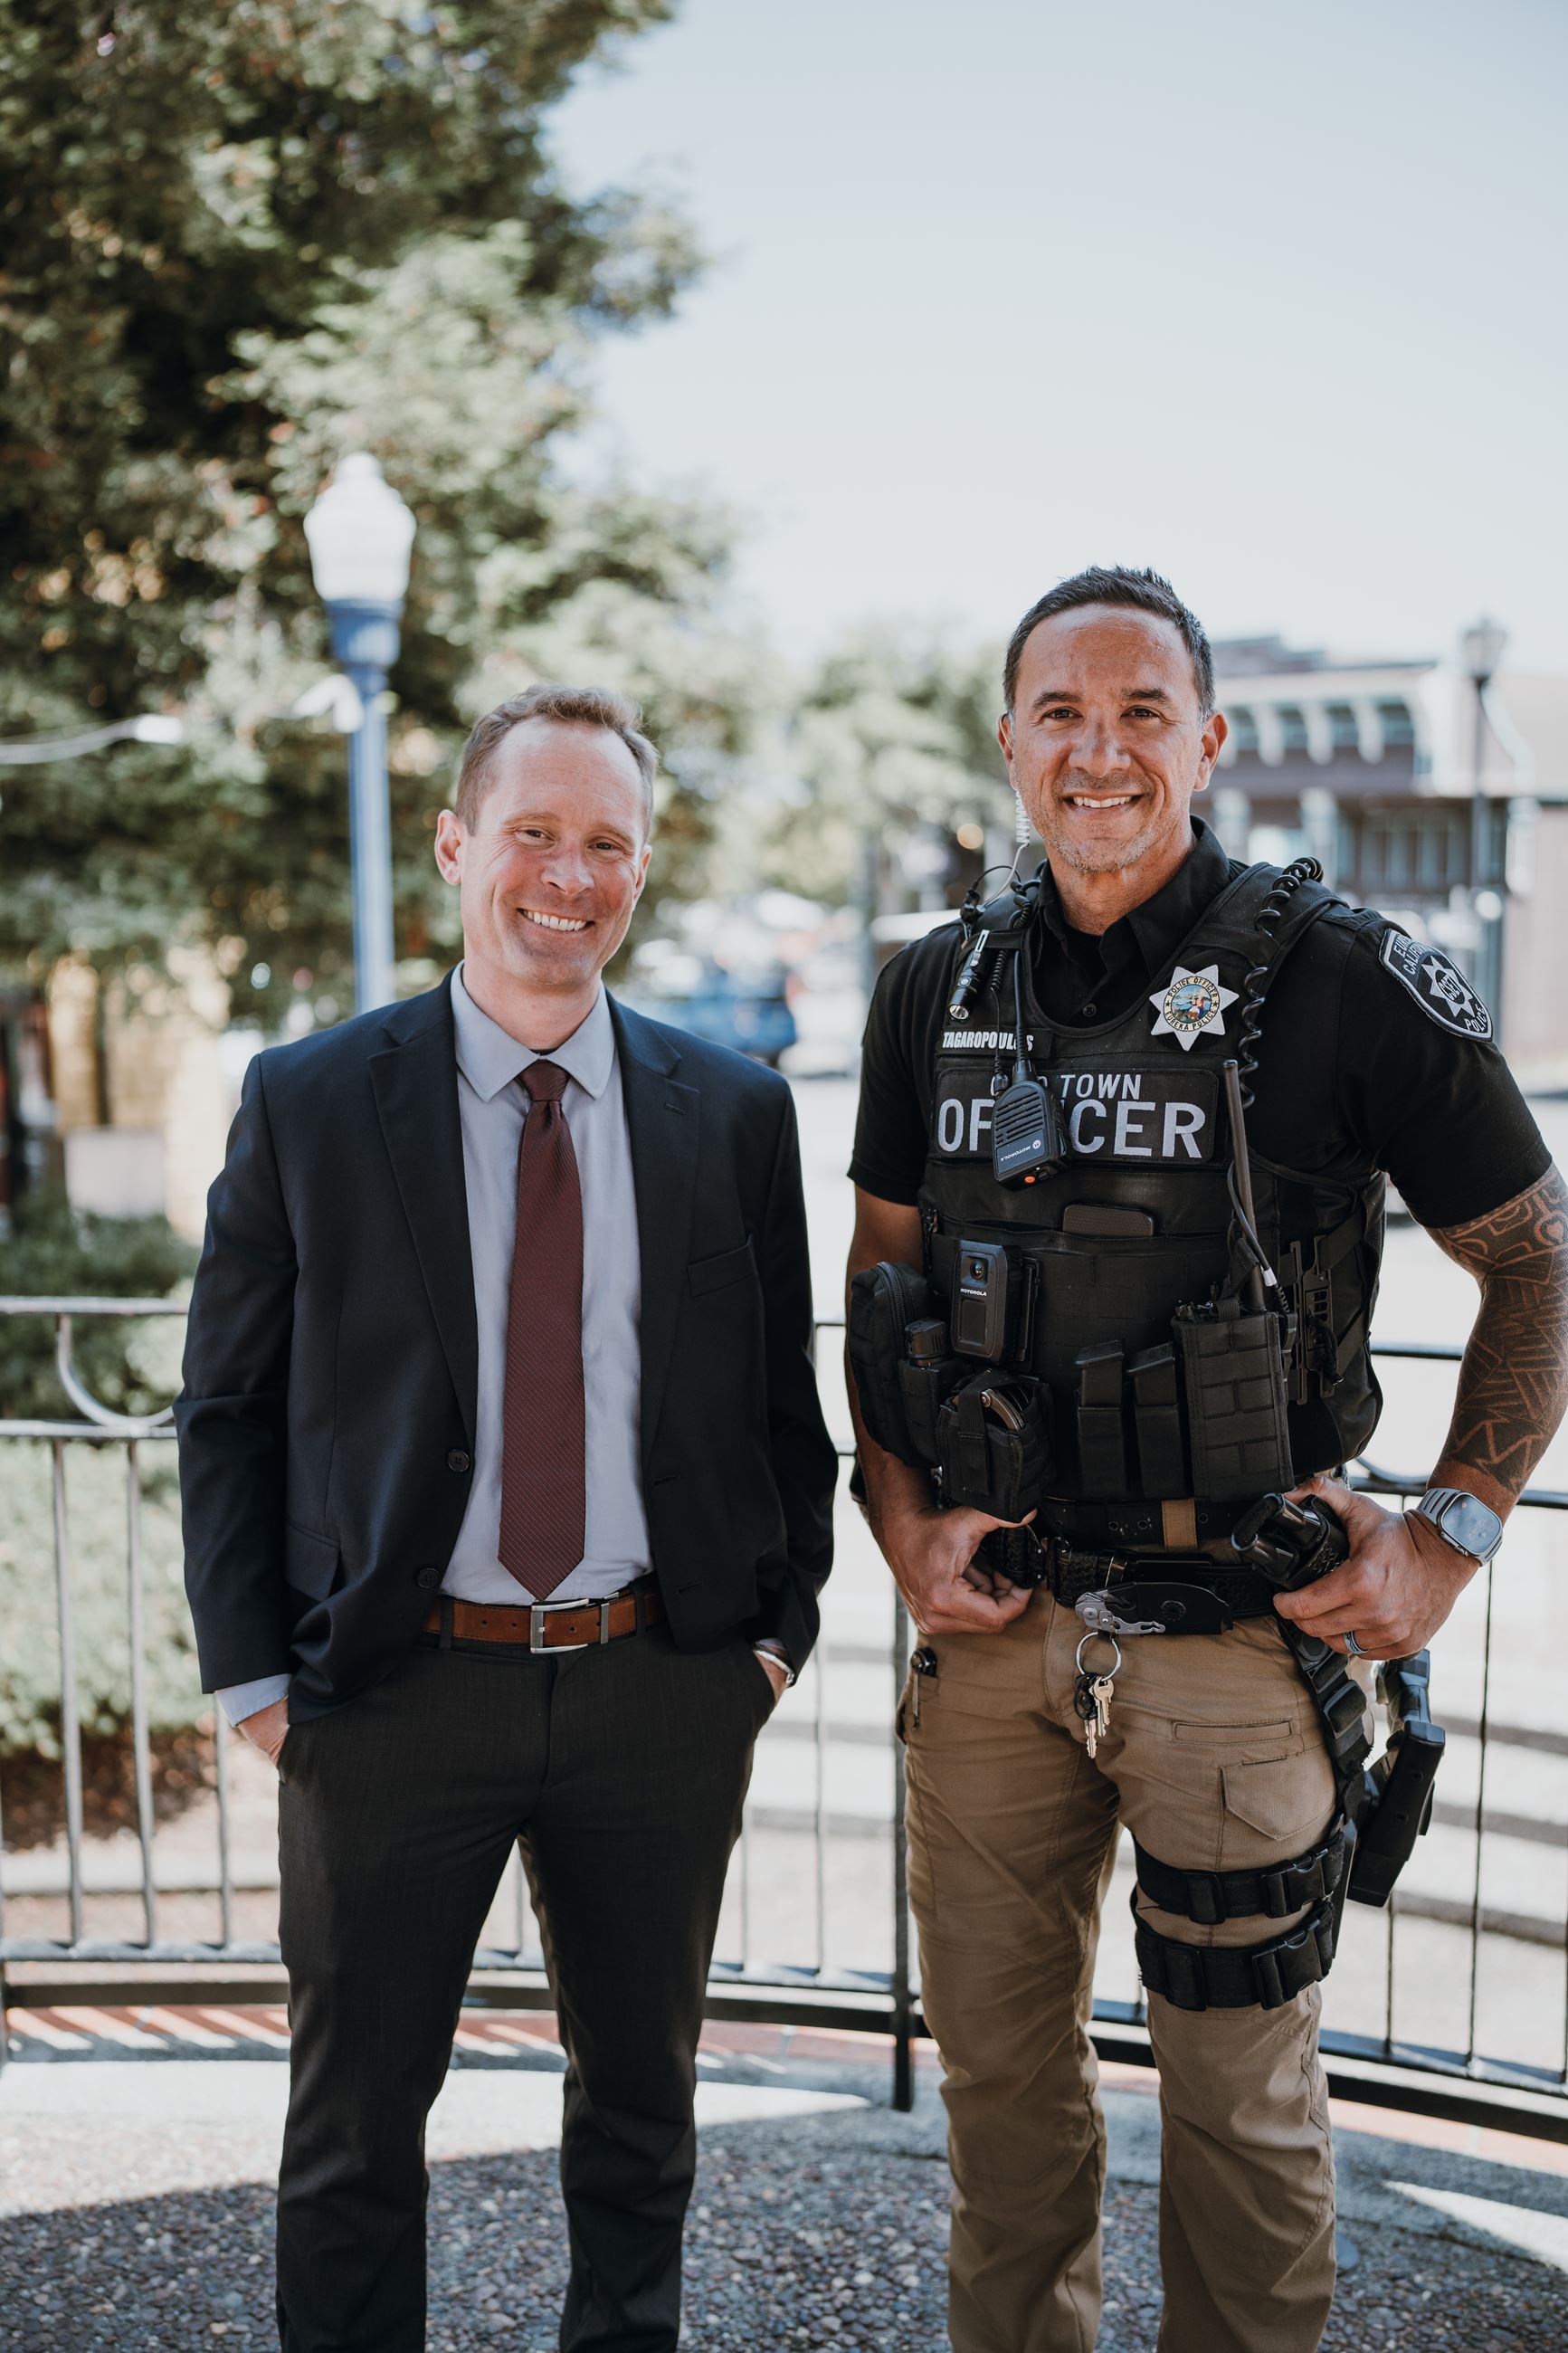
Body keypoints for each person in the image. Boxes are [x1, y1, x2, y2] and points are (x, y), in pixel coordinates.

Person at [845, 567, 1568, 2353]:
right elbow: (881, 1278)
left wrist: (1450, 1534)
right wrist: (901, 1517)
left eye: (1141, 713)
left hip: (1245, 1636)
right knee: (999, 2100)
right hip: (996, 1634)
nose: (1100, 751)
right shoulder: (931, 987)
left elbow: (1538, 1260)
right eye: (1062, 714)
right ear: (1009, 742)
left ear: (1211, 740)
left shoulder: (1344, 977)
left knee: (1239, 2117)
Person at [177, 681, 837, 2353]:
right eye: (532, 831)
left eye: (606, 841)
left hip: (657, 1688)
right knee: (351, 2134)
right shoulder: (312, 1099)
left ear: (642, 868)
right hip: (390, 1694)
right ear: (456, 846)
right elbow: (228, 1411)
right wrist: (256, 1683)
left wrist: (766, 1646)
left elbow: (781, 1407)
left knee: (641, 2120)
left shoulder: (733, 1110)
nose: (568, 873)